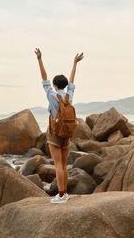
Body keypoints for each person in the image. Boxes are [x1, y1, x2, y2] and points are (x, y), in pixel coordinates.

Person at [34, 48, 84, 204]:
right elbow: (72, 80)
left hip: (55, 133)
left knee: (58, 165)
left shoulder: (51, 94)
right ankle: (65, 193)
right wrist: (75, 63)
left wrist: (40, 59)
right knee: (64, 164)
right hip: (67, 134)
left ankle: (61, 195)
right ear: (65, 85)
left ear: (55, 85)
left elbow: (44, 78)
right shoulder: (69, 95)